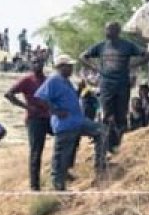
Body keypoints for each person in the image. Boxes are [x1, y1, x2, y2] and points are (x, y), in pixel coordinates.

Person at [35, 56, 107, 191]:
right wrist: (55, 111)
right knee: (62, 156)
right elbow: (40, 98)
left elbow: (71, 98)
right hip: (65, 124)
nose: (71, 68)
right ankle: (58, 187)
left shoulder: (65, 81)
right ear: (61, 67)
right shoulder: (54, 80)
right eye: (68, 66)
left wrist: (79, 90)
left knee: (102, 131)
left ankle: (100, 167)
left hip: (77, 120)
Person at [79, 22, 149, 154]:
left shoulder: (127, 45)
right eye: (106, 29)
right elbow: (82, 56)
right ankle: (107, 145)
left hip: (122, 84)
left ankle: (120, 144)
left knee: (121, 115)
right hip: (106, 85)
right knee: (107, 115)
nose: (107, 31)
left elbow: (148, 55)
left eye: (110, 29)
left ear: (117, 31)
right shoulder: (101, 46)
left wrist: (132, 65)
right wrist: (95, 67)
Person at [4, 57, 50, 191]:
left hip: (49, 117)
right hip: (34, 119)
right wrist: (27, 107)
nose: (38, 64)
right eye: (35, 62)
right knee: (36, 151)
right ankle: (34, 186)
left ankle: (62, 170)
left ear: (43, 63)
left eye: (40, 61)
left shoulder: (47, 81)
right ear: (31, 64)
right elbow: (9, 94)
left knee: (66, 136)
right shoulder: (27, 80)